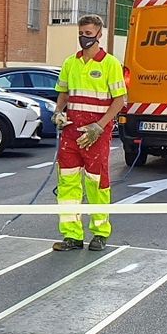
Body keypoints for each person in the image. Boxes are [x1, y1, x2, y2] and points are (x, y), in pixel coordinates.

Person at [51, 14, 127, 252]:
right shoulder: (70, 63)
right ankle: (72, 235)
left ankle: (100, 233)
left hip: (96, 133)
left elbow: (120, 100)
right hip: (71, 132)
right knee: (68, 184)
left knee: (97, 184)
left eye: (89, 34)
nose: (84, 38)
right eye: (81, 33)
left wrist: (100, 126)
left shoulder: (110, 64)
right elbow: (63, 93)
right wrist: (58, 112)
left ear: (99, 34)